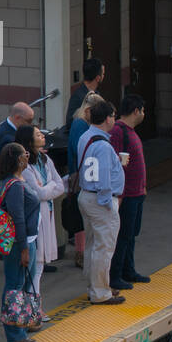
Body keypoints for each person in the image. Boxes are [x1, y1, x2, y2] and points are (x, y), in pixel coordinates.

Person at [77, 101, 125, 305]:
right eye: (113, 115)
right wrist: (108, 203)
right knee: (104, 247)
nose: (114, 119)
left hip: (86, 195)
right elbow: (103, 177)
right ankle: (100, 292)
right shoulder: (104, 146)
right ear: (107, 118)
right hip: (100, 199)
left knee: (92, 244)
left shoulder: (85, 137)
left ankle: (93, 286)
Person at [0, 143, 40, 342]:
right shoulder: (14, 186)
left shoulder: (13, 181)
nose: (28, 157)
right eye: (25, 154)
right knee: (15, 286)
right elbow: (18, 219)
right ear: (19, 160)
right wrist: (23, 249)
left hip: (27, 240)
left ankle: (22, 323)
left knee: (23, 284)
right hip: (18, 244)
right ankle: (14, 333)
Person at [17, 124, 65, 313]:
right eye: (38, 135)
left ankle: (34, 308)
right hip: (34, 220)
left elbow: (60, 185)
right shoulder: (25, 166)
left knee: (39, 266)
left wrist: (48, 187)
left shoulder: (45, 159)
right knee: (35, 266)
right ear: (29, 141)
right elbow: (39, 194)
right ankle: (33, 310)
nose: (42, 136)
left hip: (47, 215)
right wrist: (50, 186)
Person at [108, 96, 149, 291]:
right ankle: (115, 275)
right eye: (142, 110)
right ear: (136, 111)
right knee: (123, 235)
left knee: (131, 234)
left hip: (137, 192)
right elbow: (115, 163)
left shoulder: (129, 131)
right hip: (127, 194)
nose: (143, 114)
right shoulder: (119, 131)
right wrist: (120, 195)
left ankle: (128, 270)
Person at [67, 92, 106, 267]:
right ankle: (80, 253)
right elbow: (81, 151)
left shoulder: (80, 123)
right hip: (79, 175)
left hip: (80, 173)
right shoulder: (80, 125)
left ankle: (82, 252)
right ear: (89, 110)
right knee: (81, 218)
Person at [66, 57, 105, 127]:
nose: (103, 76)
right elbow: (70, 122)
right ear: (98, 78)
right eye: (103, 74)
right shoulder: (78, 96)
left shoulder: (96, 93)